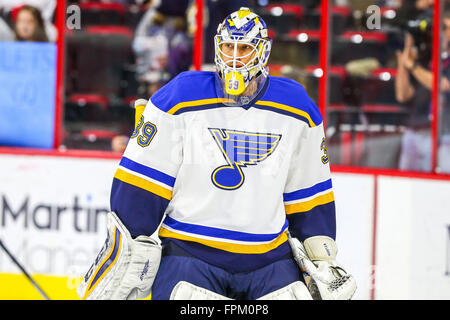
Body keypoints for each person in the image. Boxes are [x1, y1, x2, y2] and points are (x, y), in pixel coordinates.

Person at [77, 7, 356, 300]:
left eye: (245, 48)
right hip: (190, 254)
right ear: (217, 47)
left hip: (269, 258)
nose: (234, 56)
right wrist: (126, 249)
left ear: (263, 51)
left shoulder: (298, 108)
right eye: (228, 46)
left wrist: (321, 259)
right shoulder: (179, 97)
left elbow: (309, 194)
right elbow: (142, 185)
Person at [395, 9, 450, 173]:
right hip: (413, 132)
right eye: (441, 28)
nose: (443, 33)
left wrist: (412, 66)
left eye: (446, 28)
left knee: (440, 189)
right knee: (404, 187)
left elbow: (442, 85)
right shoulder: (423, 58)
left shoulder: (420, 65)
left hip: (442, 135)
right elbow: (402, 94)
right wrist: (407, 50)